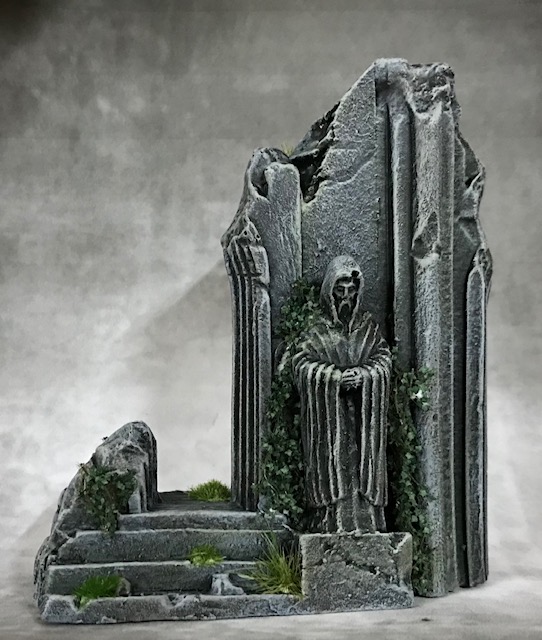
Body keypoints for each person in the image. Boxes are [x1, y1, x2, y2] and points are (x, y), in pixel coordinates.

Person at [291, 255, 391, 533]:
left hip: (361, 417)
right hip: (329, 417)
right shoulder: (315, 329)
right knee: (333, 464)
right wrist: (334, 378)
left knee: (361, 467)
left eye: (351, 290)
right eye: (340, 290)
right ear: (329, 290)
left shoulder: (367, 329)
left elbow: (383, 359)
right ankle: (329, 525)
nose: (346, 297)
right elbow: (301, 363)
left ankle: (368, 525)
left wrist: (365, 375)